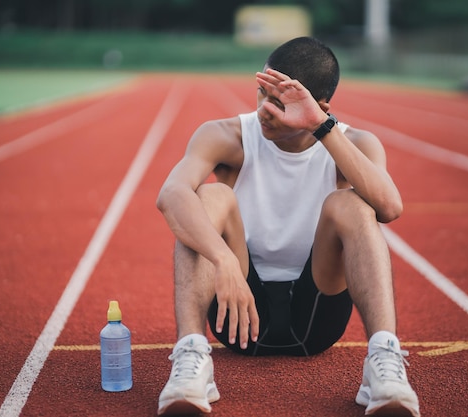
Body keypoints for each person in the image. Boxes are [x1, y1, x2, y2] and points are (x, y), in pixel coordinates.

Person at [155, 36, 420, 417]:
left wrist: (321, 128)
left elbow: (389, 207)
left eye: (279, 103)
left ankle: (384, 363)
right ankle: (191, 359)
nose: (264, 109)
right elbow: (171, 194)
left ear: (319, 107)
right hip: (237, 313)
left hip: (317, 318)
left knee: (351, 205)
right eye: (261, 93)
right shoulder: (226, 135)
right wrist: (223, 261)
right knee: (209, 198)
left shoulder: (356, 143)